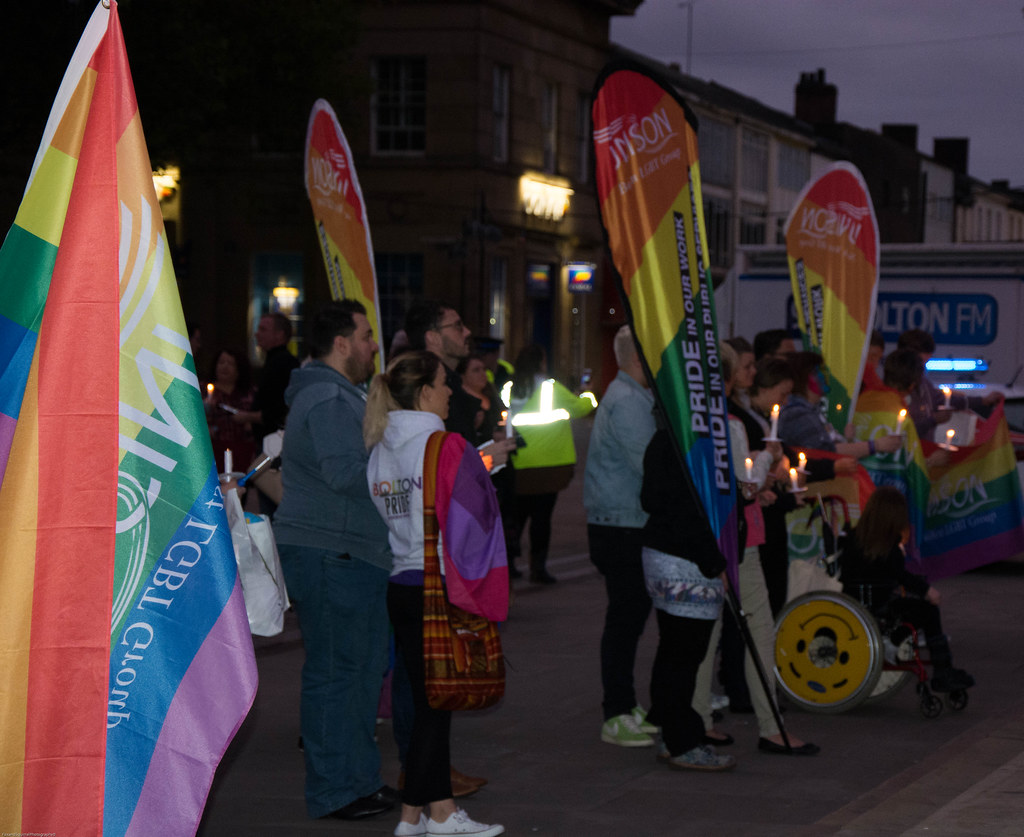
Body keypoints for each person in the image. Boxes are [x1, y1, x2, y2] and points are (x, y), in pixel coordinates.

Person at [364, 350, 508, 837]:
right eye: (445, 383)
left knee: (429, 702)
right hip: (438, 587)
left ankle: (415, 816)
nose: (451, 392)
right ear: (425, 391)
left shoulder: (380, 448)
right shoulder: (446, 446)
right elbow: (473, 522)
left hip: (400, 584)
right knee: (435, 706)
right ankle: (440, 815)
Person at [272, 300, 397, 822]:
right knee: (336, 673)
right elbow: (347, 473)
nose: (373, 346)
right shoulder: (326, 396)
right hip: (331, 550)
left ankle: (359, 781)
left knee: (362, 670)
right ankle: (333, 791)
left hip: (349, 550)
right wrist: (399, 472)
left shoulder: (341, 395)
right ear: (341, 343)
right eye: (366, 336)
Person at [694, 343, 820, 757]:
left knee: (706, 631)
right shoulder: (728, 423)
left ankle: (699, 719)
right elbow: (742, 484)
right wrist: (766, 456)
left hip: (708, 536)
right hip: (738, 538)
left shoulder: (695, 419)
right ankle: (771, 726)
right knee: (760, 629)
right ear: (728, 378)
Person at [640, 409, 734, 772]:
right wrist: (715, 562)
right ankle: (682, 740)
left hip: (667, 554)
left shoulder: (665, 440)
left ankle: (672, 732)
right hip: (685, 559)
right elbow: (689, 510)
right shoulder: (682, 446)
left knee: (675, 651)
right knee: (683, 655)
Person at [583, 326, 658, 748]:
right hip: (621, 525)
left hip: (622, 522)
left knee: (627, 620)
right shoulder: (628, 401)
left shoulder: (631, 396)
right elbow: (648, 464)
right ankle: (616, 712)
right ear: (638, 357)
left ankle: (625, 705)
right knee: (624, 621)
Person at [838, 486, 974, 693]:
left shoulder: (852, 538)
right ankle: (940, 669)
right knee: (928, 612)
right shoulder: (888, 547)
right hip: (880, 605)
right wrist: (927, 590)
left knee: (916, 608)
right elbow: (901, 576)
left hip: (854, 603)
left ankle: (897, 645)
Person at [504, 343, 595, 583]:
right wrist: (587, 393)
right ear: (541, 362)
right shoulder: (549, 387)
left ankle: (508, 564)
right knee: (541, 518)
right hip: (550, 465)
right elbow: (581, 408)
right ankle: (538, 567)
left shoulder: (509, 388)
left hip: (519, 462)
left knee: (517, 516)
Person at [778, 351, 903, 459]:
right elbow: (825, 452)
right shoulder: (797, 414)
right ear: (805, 377)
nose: (825, 376)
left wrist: (846, 440)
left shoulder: (811, 411)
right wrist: (876, 445)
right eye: (818, 371)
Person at [897, 328, 1003, 440]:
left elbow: (947, 400)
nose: (922, 367)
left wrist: (983, 400)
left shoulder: (924, 384)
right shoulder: (894, 387)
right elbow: (902, 430)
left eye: (926, 362)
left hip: (923, 451)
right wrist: (933, 420)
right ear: (906, 356)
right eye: (921, 361)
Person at [244, 311, 300, 439]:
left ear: (279, 335)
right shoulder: (273, 361)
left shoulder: (284, 363)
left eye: (263, 330)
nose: (257, 334)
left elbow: (280, 409)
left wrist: (249, 417)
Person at [204, 346, 257, 475]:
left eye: (230, 364)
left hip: (242, 449)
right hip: (212, 448)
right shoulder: (203, 390)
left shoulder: (249, 393)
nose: (225, 367)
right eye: (221, 362)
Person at [457, 353, 504, 449]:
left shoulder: (493, 397)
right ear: (462, 375)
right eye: (476, 370)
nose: (482, 374)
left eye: (484, 369)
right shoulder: (460, 403)